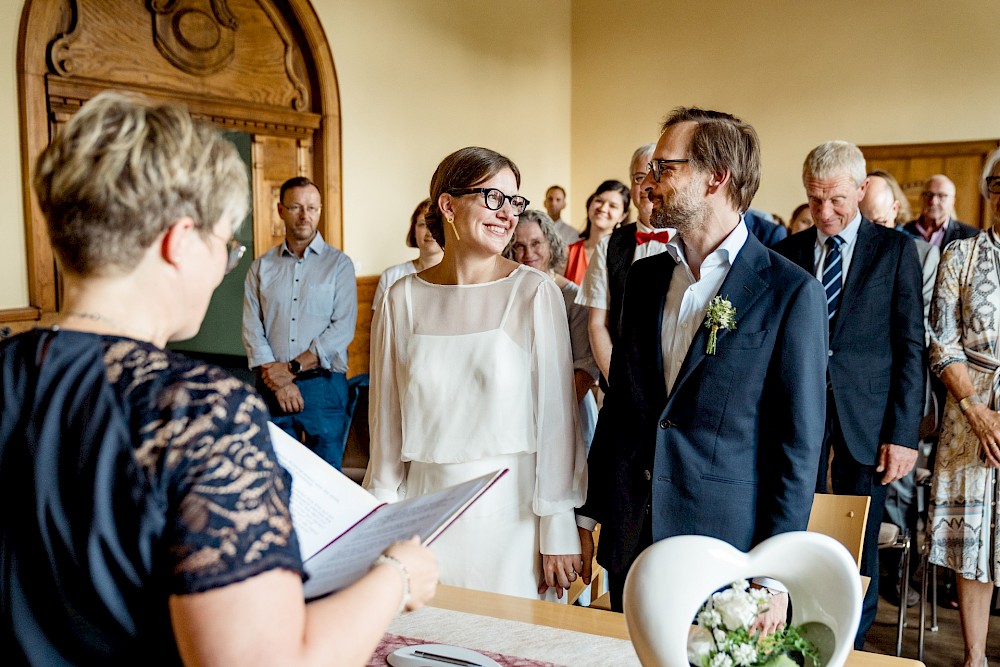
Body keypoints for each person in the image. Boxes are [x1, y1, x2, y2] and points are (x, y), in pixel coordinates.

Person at [1, 91, 437, 666]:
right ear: (179, 242)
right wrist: (397, 576)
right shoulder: (199, 410)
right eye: (225, 244)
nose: (226, 264)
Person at [578, 108, 828, 626]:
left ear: (716, 177)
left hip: (725, 547)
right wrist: (587, 514)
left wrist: (772, 572)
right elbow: (623, 408)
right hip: (633, 538)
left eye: (663, 169)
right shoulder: (645, 280)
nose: (646, 184)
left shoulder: (789, 291)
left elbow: (797, 448)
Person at [365, 147, 587, 601]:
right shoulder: (401, 298)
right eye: (493, 198)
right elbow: (386, 419)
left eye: (514, 201)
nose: (507, 214)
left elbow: (556, 420)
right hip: (425, 510)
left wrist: (558, 527)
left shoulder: (533, 292)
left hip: (513, 514)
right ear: (448, 206)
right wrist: (379, 517)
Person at [774, 141, 925, 648]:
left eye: (837, 199)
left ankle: (849, 647)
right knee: (796, 526)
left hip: (868, 419)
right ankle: (798, 637)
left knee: (858, 535)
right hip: (799, 415)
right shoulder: (788, 253)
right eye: (815, 200)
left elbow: (910, 349)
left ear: (862, 190)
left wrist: (903, 436)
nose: (825, 211)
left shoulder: (896, 250)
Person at [927, 148, 1000, 667]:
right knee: (974, 539)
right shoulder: (962, 254)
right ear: (992, 193)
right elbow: (941, 340)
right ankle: (974, 656)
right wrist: (975, 407)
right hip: (969, 411)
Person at [861, 169, 941, 607]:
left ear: (896, 211)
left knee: (898, 488)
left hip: (904, 387)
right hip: (857, 396)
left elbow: (920, 330)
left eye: (881, 220)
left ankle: (892, 575)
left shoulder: (919, 254)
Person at [242, 176, 357, 470]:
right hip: (272, 387)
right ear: (280, 210)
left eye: (312, 208)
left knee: (328, 480)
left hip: (324, 386)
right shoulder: (261, 267)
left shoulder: (340, 265)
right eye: (296, 207)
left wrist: (291, 369)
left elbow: (341, 329)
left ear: (319, 210)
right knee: (276, 476)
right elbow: (253, 329)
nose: (305, 215)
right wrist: (277, 379)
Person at [577, 144, 672, 386]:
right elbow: (597, 324)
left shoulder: (690, 241)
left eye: (657, 175)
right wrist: (620, 385)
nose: (648, 185)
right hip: (620, 380)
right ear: (631, 185)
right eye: (640, 177)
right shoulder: (609, 245)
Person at [505, 209, 600, 452]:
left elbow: (585, 369)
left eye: (536, 243)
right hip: (514, 414)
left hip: (568, 413)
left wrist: (549, 417)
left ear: (551, 244)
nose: (528, 254)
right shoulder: (505, 296)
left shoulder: (573, 297)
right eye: (519, 246)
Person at [372, 198, 443, 309]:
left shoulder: (457, 277)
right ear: (413, 230)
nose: (429, 231)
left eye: (434, 225)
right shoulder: (391, 276)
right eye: (422, 224)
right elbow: (378, 324)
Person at [563, 180, 630, 284]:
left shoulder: (627, 256)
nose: (603, 208)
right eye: (599, 201)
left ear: (622, 216)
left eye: (613, 206)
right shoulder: (567, 253)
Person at [903, 174, 980, 248]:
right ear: (921, 198)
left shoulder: (971, 237)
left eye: (941, 196)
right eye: (928, 194)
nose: (933, 201)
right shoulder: (902, 230)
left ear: (952, 201)